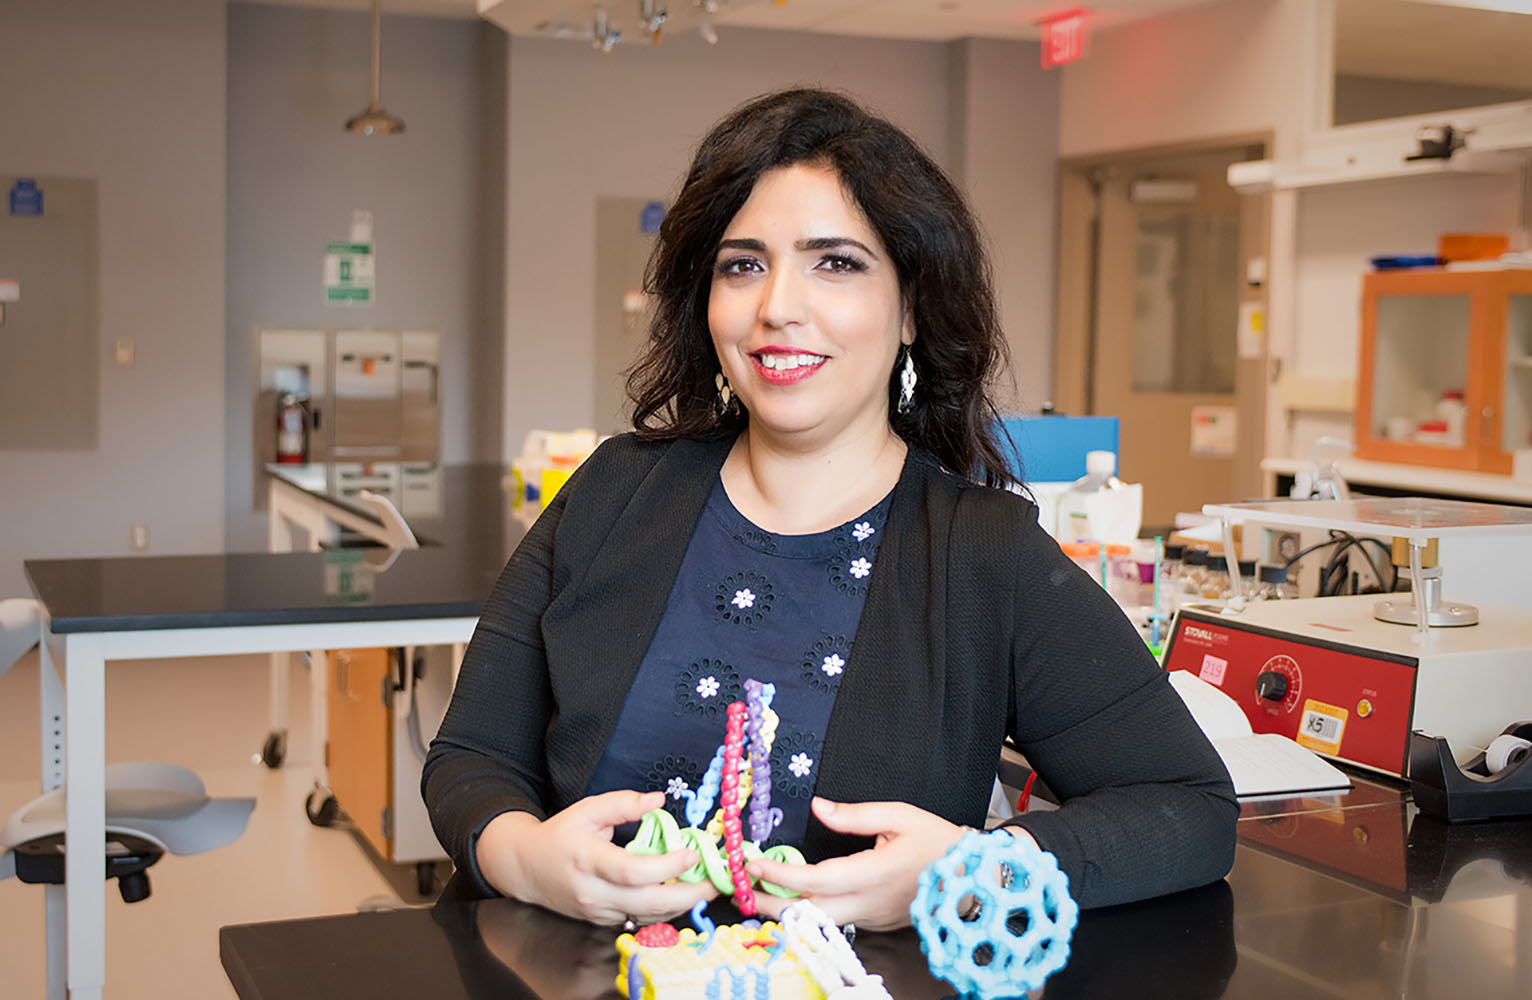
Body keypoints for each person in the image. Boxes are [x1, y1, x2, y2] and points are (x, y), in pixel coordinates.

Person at [424, 88, 1237, 931]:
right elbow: (472, 757)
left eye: (836, 263)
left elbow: (1190, 808)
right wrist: (524, 857)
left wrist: (971, 869)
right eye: (743, 264)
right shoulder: (613, 492)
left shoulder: (983, 555)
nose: (778, 306)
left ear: (912, 307)